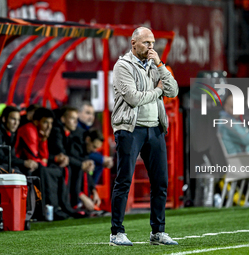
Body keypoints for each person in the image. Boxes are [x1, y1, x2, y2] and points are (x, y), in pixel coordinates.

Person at [109, 27, 178, 246]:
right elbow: (133, 98)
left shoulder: (155, 65)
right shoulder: (122, 66)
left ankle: (158, 232)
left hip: (155, 129)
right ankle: (116, 232)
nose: (151, 47)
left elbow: (174, 90)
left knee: (160, 183)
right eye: (146, 43)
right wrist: (158, 92)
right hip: (130, 129)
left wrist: (160, 65)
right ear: (133, 43)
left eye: (153, 43)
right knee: (124, 180)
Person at [15, 107, 74, 220]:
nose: (49, 126)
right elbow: (34, 158)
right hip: (21, 165)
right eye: (45, 122)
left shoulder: (40, 132)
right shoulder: (29, 129)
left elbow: (44, 158)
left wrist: (43, 139)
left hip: (35, 165)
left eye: (50, 123)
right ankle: (46, 210)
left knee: (58, 169)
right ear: (36, 122)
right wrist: (43, 157)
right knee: (43, 170)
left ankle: (62, 207)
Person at [76, 102, 113, 184]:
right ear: (78, 113)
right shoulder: (77, 130)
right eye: (87, 113)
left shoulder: (86, 129)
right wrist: (102, 159)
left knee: (99, 164)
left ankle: (91, 190)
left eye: (92, 114)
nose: (91, 117)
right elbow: (83, 151)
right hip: (75, 165)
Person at [0, 106, 38, 174]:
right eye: (13, 119)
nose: (16, 123)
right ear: (4, 119)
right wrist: (24, 162)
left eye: (18, 120)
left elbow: (11, 156)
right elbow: (1, 158)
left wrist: (26, 163)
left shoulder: (12, 134)